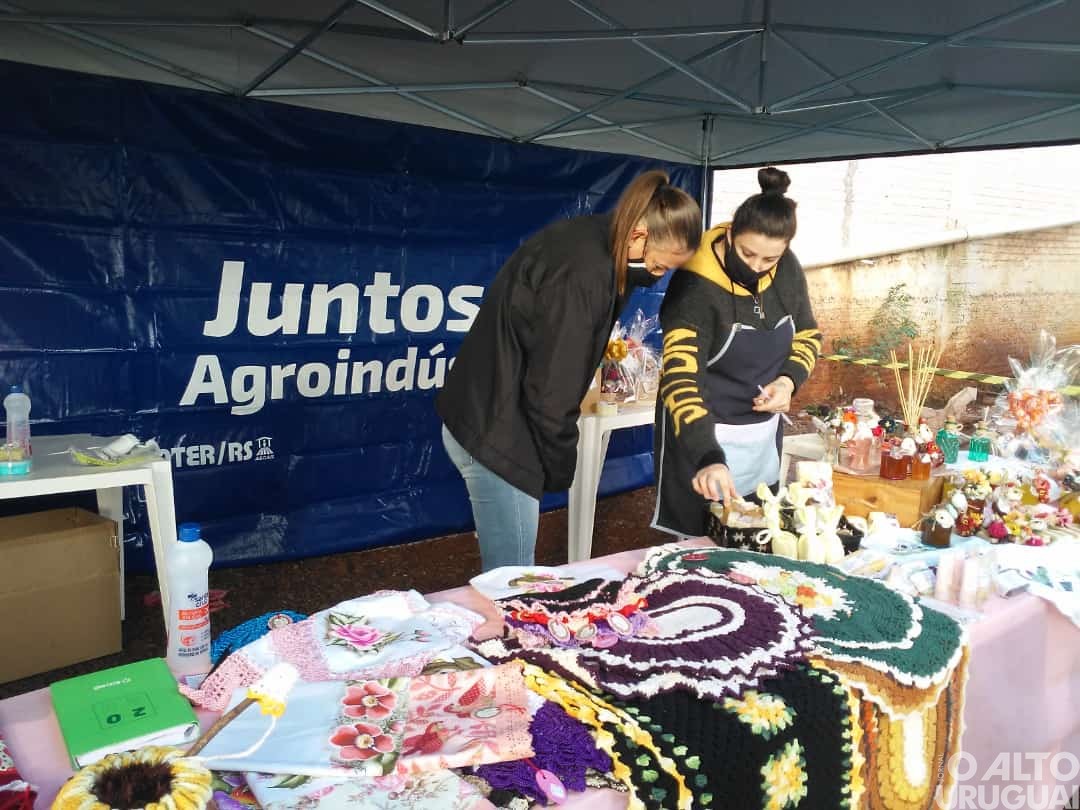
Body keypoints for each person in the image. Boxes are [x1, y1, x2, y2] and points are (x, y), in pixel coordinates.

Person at [438, 170, 702, 570]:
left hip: (487, 414)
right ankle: (502, 632)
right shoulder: (583, 275)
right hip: (497, 433)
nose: (657, 275)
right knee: (513, 582)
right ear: (638, 235)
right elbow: (551, 394)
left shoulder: (595, 239)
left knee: (510, 573)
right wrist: (561, 469)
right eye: (659, 265)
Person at [652, 167, 822, 537]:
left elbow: (808, 335)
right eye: (747, 254)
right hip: (700, 431)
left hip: (760, 437)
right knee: (696, 547)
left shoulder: (787, 270)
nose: (756, 268)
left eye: (769, 260)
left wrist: (788, 382)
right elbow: (680, 380)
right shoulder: (696, 288)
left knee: (759, 535)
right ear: (729, 234)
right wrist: (708, 457)